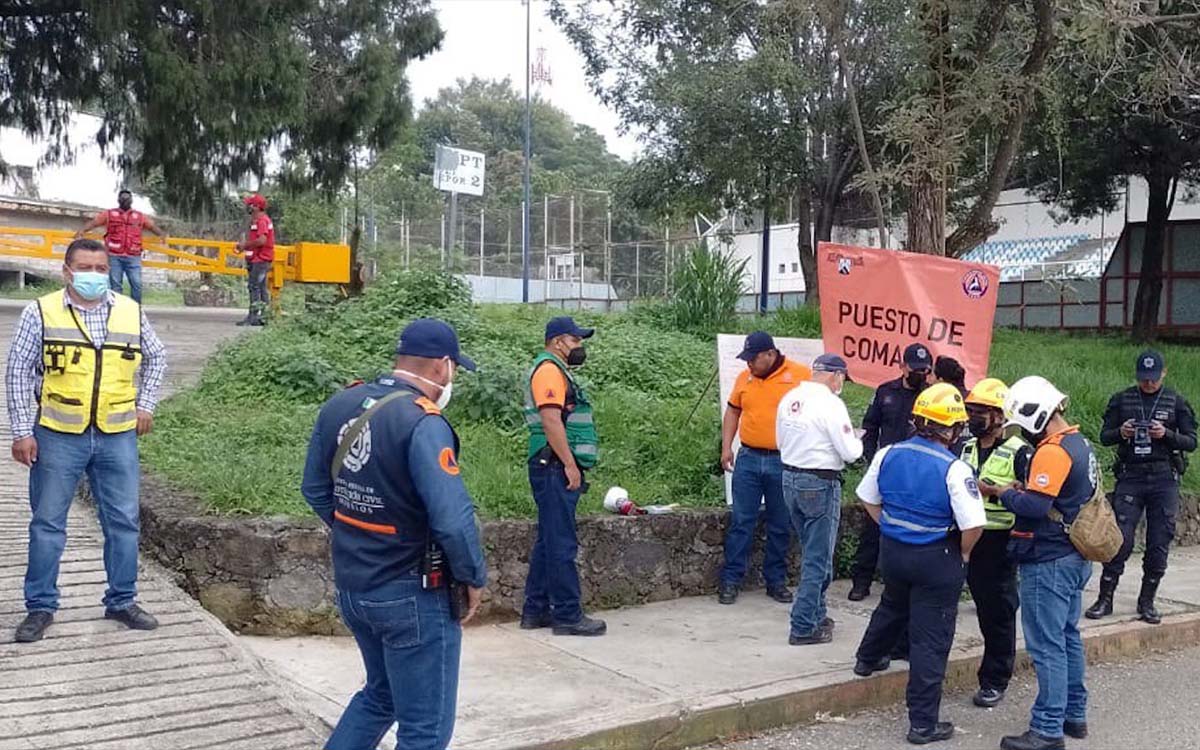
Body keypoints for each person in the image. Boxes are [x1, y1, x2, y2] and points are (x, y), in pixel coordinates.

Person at [300, 318, 487, 750]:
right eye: (454, 368)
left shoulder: (341, 404)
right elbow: (452, 519)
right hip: (411, 595)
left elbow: (314, 488)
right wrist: (473, 576)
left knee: (380, 696)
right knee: (425, 731)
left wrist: (360, 534)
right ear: (442, 366)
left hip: (354, 586)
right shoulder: (423, 422)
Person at [6, 238, 167, 643]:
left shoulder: (130, 312)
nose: (93, 275)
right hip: (58, 434)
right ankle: (40, 606)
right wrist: (23, 431)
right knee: (47, 524)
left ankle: (122, 600)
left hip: (116, 436)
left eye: (100, 268)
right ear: (66, 271)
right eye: (84, 267)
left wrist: (144, 405)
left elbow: (157, 356)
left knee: (124, 522)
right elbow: (18, 372)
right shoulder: (40, 311)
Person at [852, 383, 985, 745]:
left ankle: (867, 659)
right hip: (936, 558)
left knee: (892, 605)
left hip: (894, 552)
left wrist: (891, 528)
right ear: (952, 429)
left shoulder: (888, 453)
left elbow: (867, 498)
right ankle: (923, 724)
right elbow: (973, 525)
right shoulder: (955, 468)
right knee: (930, 640)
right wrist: (965, 553)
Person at [983, 376, 1096, 750]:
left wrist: (1004, 493)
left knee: (1047, 645)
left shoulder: (1053, 450)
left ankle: (1047, 729)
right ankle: (1073, 715)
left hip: (1048, 560)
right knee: (1067, 637)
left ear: (1035, 414)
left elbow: (1036, 506)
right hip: (1074, 556)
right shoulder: (1081, 444)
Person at [1087, 350, 1196, 624]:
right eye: (1143, 378)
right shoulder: (1122, 399)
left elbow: (1191, 441)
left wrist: (1167, 435)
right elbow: (1104, 436)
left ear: (1164, 373)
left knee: (1159, 541)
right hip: (1131, 475)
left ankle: (1147, 601)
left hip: (1163, 476)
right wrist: (1121, 432)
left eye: (1153, 378)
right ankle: (1105, 598)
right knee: (1120, 538)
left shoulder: (1176, 402)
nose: (1148, 383)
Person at [519, 316, 607, 636]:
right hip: (554, 465)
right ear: (558, 342)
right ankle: (568, 615)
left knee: (548, 541)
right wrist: (570, 464)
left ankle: (535, 610)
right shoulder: (548, 371)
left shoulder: (555, 370)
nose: (580, 346)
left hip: (551, 464)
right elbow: (551, 420)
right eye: (576, 340)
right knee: (562, 544)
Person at [718, 332, 812, 605]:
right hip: (748, 458)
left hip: (783, 461)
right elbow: (733, 411)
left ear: (770, 355)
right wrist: (726, 447)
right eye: (746, 359)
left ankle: (776, 581)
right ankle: (731, 580)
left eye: (753, 359)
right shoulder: (744, 378)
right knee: (741, 521)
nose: (749, 364)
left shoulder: (800, 376)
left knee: (781, 524)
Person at [776, 353, 862, 645]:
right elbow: (851, 452)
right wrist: (858, 439)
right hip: (820, 482)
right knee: (817, 558)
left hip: (789, 478)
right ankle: (802, 625)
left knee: (812, 550)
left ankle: (816, 614)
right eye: (842, 379)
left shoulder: (789, 398)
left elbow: (779, 441)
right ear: (836, 376)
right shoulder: (831, 404)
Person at [958, 378, 1032, 709]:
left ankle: (995, 679)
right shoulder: (966, 447)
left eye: (981, 412)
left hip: (1001, 539)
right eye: (970, 410)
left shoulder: (1020, 452)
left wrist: (1000, 491)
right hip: (967, 534)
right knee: (978, 605)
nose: (973, 417)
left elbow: (1034, 499)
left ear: (1000, 417)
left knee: (998, 613)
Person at [849, 342, 934, 602]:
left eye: (925, 368)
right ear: (903, 366)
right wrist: (870, 459)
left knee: (910, 531)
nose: (920, 373)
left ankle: (898, 584)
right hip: (886, 469)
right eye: (915, 368)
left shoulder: (931, 396)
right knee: (872, 528)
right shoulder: (886, 392)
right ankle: (861, 582)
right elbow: (870, 427)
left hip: (917, 473)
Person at [74, 188, 167, 303]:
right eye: (123, 198)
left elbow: (152, 227)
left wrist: (162, 235)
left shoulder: (139, 216)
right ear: (118, 200)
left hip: (133, 255)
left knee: (137, 284)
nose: (125, 200)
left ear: (131, 200)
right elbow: (94, 223)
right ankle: (117, 309)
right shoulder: (109, 214)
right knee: (116, 286)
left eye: (127, 198)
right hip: (114, 255)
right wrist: (82, 231)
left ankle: (136, 308)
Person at [234, 193, 275, 327]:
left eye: (250, 204)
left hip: (261, 260)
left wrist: (244, 245)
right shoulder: (258, 221)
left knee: (254, 286)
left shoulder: (262, 221)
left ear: (257, 207)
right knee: (260, 287)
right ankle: (264, 316)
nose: (248, 207)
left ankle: (254, 316)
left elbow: (262, 240)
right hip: (257, 259)